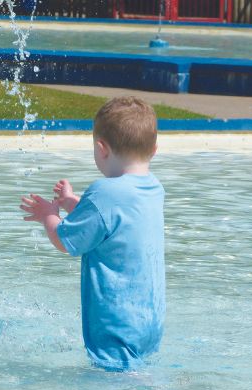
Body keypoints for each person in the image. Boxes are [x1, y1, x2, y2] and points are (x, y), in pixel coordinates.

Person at [20, 96, 165, 371]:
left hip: (116, 324)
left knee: (118, 387)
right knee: (138, 371)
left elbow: (65, 241)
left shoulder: (104, 192)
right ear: (154, 149)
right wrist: (74, 203)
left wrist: (48, 214)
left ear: (101, 149)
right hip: (149, 320)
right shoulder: (153, 189)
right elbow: (115, 224)